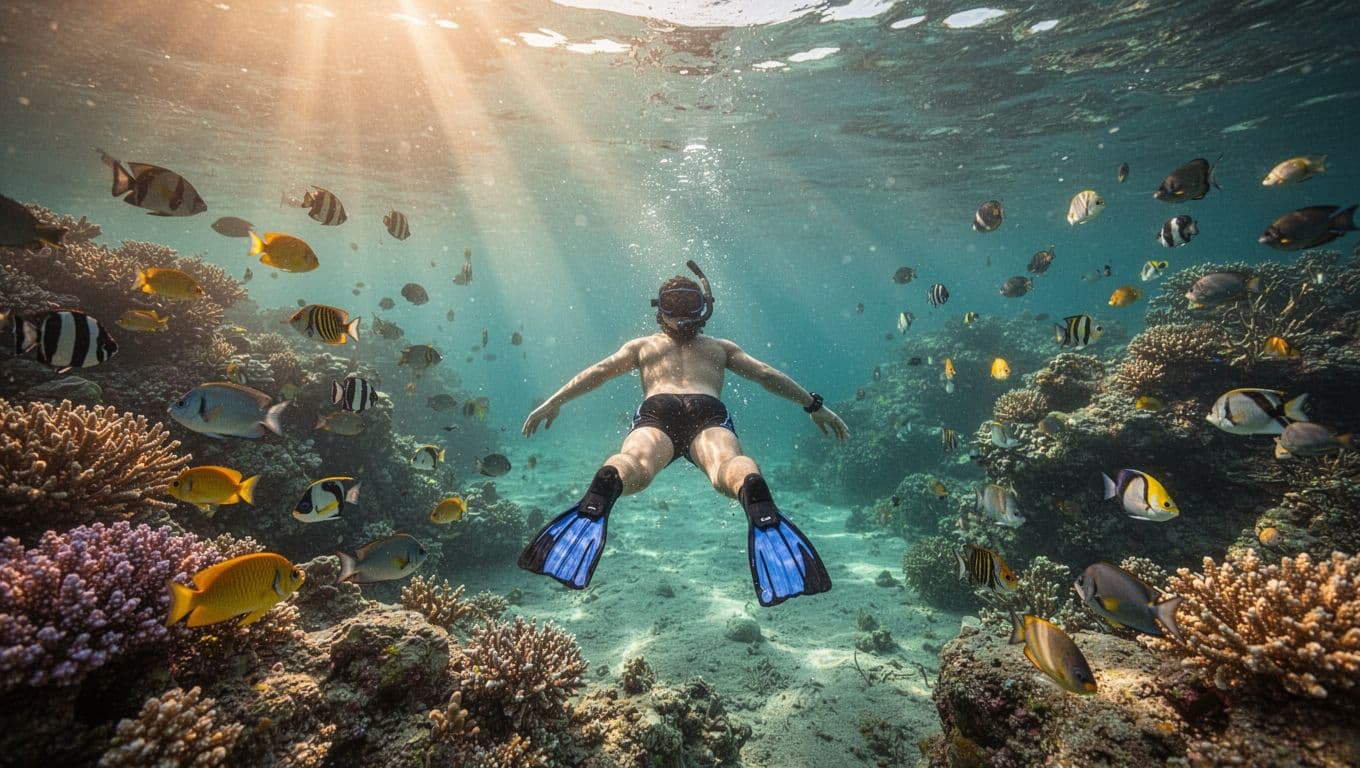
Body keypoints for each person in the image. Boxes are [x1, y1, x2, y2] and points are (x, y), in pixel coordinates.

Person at [518, 261, 849, 606]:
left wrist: (553, 402)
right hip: (707, 409)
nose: (680, 315)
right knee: (726, 464)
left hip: (657, 409)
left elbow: (599, 372)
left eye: (683, 305)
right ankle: (755, 497)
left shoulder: (642, 346)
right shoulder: (721, 347)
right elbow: (766, 375)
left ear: (659, 311)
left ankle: (603, 489)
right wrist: (814, 405)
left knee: (636, 463)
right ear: (704, 309)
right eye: (677, 305)